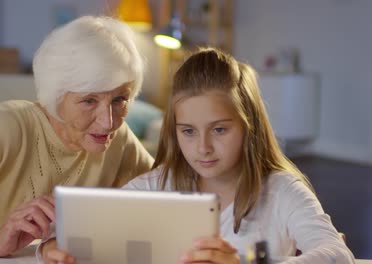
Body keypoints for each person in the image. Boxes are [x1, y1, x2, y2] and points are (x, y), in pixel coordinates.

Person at [39, 48, 355, 264]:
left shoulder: (282, 191)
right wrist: (52, 247)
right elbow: (89, 235)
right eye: (188, 131)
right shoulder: (156, 186)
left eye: (219, 130)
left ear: (249, 127)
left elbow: (338, 255)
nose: (202, 147)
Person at [0, 16, 153, 258]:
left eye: (120, 99)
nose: (108, 122)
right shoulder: (4, 127)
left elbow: (170, 198)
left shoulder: (119, 139)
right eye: (89, 100)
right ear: (56, 95)